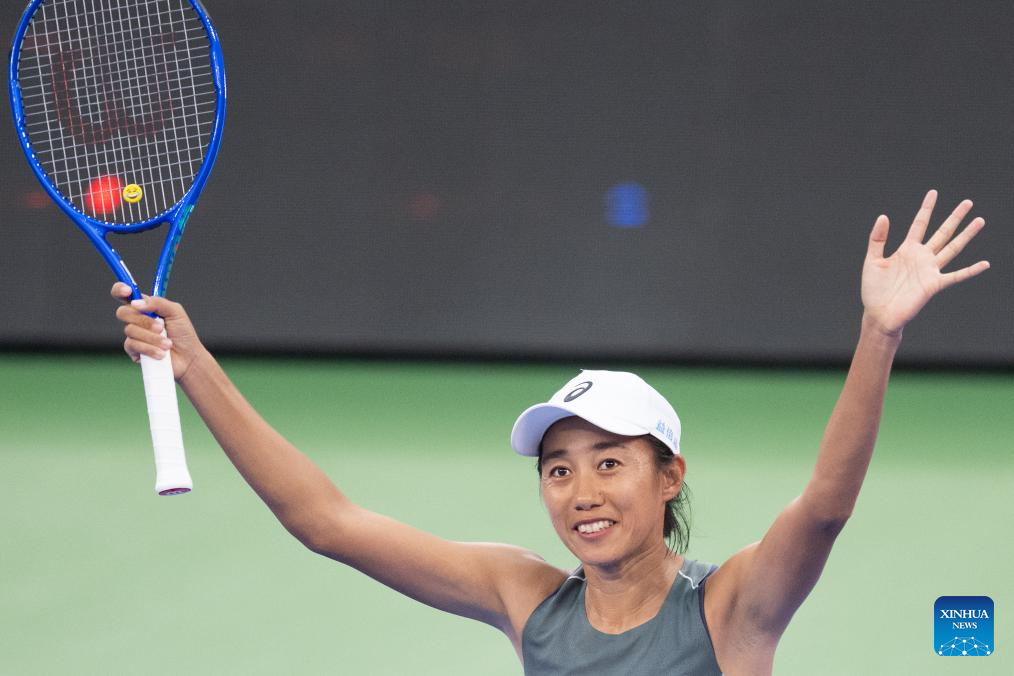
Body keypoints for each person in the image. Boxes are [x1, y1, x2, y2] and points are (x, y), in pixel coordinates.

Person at [112, 190, 989, 675]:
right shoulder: (523, 596)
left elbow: (825, 507)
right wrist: (195, 364)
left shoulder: (733, 609)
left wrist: (879, 335)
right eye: (559, 469)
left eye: (610, 462)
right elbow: (327, 522)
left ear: (669, 477)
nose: (581, 492)